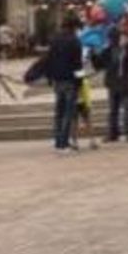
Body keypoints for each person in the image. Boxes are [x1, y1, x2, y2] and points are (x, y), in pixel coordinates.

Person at [42, 14, 83, 153]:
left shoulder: (54, 40)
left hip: (57, 80)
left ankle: (58, 141)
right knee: (68, 113)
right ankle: (64, 143)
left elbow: (48, 59)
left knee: (58, 112)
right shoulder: (75, 41)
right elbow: (78, 65)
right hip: (70, 80)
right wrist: (80, 81)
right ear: (74, 27)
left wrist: (49, 77)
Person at [102, 21, 128, 141]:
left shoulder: (126, 48)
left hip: (125, 82)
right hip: (113, 82)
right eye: (110, 37)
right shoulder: (108, 50)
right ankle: (113, 133)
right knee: (113, 110)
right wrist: (94, 52)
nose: (111, 39)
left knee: (127, 108)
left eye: (113, 37)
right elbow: (100, 63)